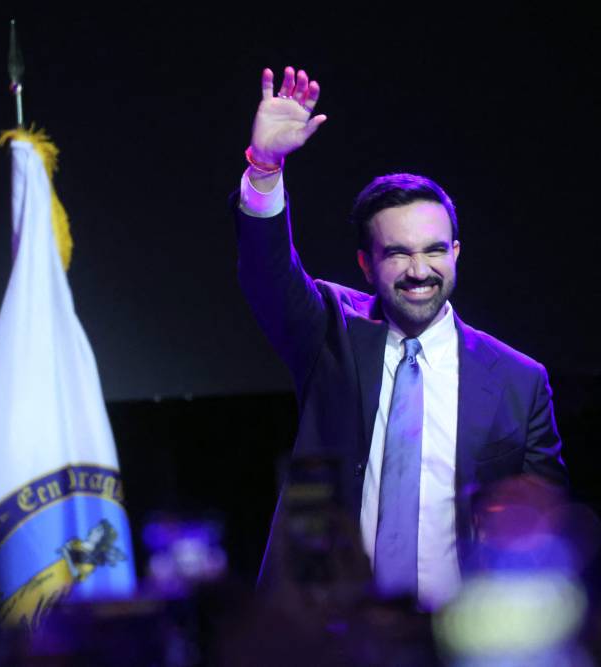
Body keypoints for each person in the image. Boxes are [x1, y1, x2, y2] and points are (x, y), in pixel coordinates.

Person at [236, 66, 568, 609]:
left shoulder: (519, 380)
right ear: (366, 263)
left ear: (455, 253)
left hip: (463, 633)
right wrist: (266, 168)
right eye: (398, 253)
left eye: (435, 250)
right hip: (334, 629)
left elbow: (546, 527)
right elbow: (265, 274)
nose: (420, 269)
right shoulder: (331, 330)